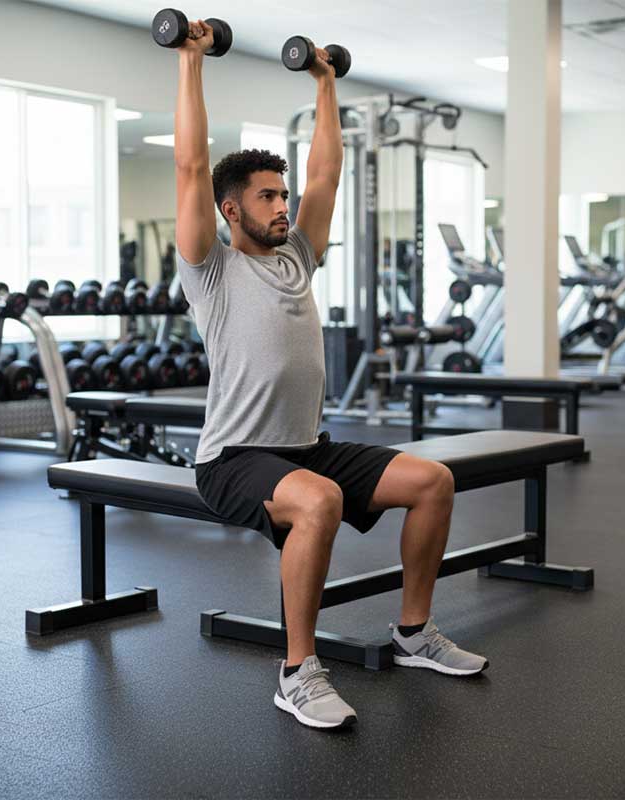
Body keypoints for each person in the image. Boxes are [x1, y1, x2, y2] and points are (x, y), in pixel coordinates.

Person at [171, 20, 486, 731]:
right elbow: (191, 167)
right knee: (317, 503)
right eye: (266, 198)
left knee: (433, 482)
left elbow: (327, 172)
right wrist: (191, 60)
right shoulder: (211, 269)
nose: (283, 206)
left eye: (283, 196)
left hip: (307, 445)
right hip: (234, 458)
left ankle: (413, 633)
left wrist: (325, 81)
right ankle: (297, 671)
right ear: (231, 210)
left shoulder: (297, 257)